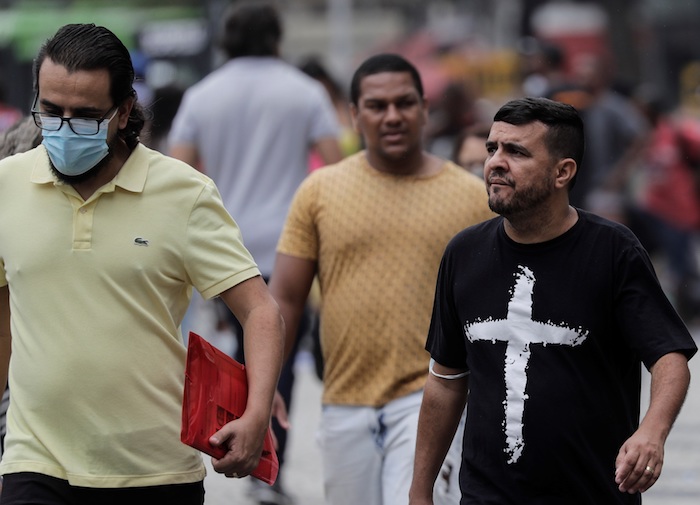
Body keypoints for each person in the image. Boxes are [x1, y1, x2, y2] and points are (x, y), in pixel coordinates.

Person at [0, 23, 285, 505]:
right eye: (51, 111)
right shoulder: (6, 185)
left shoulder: (185, 194)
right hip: (35, 462)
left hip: (154, 473)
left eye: (86, 116)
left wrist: (257, 414)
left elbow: (261, 311)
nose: (65, 128)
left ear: (125, 110)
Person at [409, 97, 697, 505]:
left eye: (517, 152)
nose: (495, 162)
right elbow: (445, 380)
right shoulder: (463, 252)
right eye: (493, 148)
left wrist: (652, 431)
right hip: (486, 496)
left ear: (563, 172)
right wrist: (419, 491)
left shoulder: (613, 250)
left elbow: (669, 356)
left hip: (593, 493)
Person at [268, 53, 495, 505]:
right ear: (354, 115)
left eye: (405, 103)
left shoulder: (472, 198)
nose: (392, 116)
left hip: (431, 398)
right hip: (343, 401)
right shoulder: (319, 191)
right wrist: (267, 382)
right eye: (376, 105)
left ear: (425, 109)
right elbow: (286, 297)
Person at [168, 3, 342, 504]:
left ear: (225, 42)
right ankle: (269, 464)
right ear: (276, 40)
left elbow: (177, 174)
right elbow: (335, 167)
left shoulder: (203, 95)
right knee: (278, 355)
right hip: (291, 247)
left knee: (241, 352)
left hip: (221, 250)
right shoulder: (304, 91)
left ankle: (231, 440)